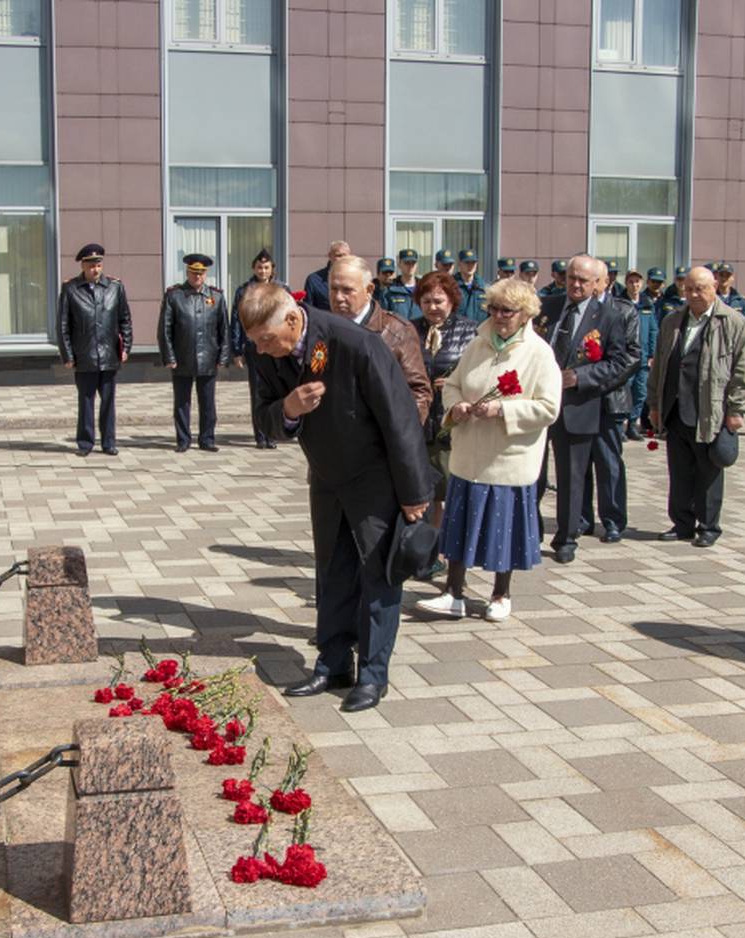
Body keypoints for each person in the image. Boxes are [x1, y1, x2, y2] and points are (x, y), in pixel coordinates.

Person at [240, 283, 433, 712]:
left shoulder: (356, 344)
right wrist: (288, 409)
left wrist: (414, 491)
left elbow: (400, 419)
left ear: (293, 320)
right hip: (326, 474)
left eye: (267, 340)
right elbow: (264, 416)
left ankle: (372, 675)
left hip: (375, 475)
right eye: (255, 342)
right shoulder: (263, 349)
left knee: (379, 575)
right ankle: (332, 663)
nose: (261, 350)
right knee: (332, 571)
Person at [416, 278, 561, 622]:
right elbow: (452, 384)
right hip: (469, 454)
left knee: (503, 529)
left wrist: (504, 410)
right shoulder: (478, 343)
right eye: (493, 309)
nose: (498, 316)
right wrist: (457, 407)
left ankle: (501, 593)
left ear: (525, 314)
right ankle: (453, 591)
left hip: (508, 459)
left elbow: (548, 408)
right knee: (460, 524)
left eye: (506, 311)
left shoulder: (539, 353)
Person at [648, 266, 745, 548]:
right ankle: (682, 523)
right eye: (689, 288)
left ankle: (708, 526)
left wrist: (736, 410)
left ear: (715, 288)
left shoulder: (734, 322)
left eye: (701, 288)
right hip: (675, 409)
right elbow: (659, 366)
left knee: (708, 470)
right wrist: (654, 405)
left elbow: (743, 373)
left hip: (711, 410)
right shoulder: (672, 321)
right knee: (679, 471)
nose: (694, 294)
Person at [535, 254, 632, 564]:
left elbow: (620, 362)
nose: (575, 284)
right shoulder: (545, 307)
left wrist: (580, 376)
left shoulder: (609, 316)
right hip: (536, 404)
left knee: (571, 477)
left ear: (597, 284)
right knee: (531, 473)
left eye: (583, 280)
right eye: (571, 277)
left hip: (578, 405)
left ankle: (566, 537)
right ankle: (529, 530)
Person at [411, 270, 478, 574]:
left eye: (438, 300)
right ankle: (426, 553)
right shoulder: (410, 330)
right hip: (418, 423)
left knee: (450, 492)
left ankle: (452, 554)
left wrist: (456, 383)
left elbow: (480, 375)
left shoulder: (470, 332)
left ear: (451, 300)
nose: (432, 307)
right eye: (426, 301)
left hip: (452, 424)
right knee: (423, 493)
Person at [327, 255, 432, 425]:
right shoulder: (322, 329)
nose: (338, 297)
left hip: (381, 444)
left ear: (369, 290)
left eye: (347, 290)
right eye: (333, 289)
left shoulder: (398, 332)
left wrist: (397, 435)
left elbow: (419, 393)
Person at [581, 260, 641, 542]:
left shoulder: (624, 310)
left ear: (604, 282)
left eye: (594, 279)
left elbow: (630, 358)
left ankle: (614, 519)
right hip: (579, 399)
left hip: (609, 399)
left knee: (608, 462)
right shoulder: (576, 309)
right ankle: (581, 518)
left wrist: (595, 381)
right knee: (579, 463)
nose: (586, 285)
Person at [57, 242, 133, 456]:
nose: (95, 269)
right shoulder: (71, 289)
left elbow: (124, 319)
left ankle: (109, 442)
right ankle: (85, 443)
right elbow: (63, 325)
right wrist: (68, 355)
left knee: (109, 402)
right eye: (90, 265)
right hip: (84, 355)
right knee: (86, 401)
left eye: (98, 264)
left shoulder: (115, 287)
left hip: (109, 355)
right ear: (82, 265)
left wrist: (126, 346)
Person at [159, 253, 229, 452]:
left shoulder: (216, 296)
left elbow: (224, 328)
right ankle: (183, 439)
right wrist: (169, 356)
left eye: (201, 273)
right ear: (187, 272)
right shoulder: (174, 296)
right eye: (193, 273)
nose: (197, 277)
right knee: (182, 403)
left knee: (208, 403)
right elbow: (165, 329)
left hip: (208, 358)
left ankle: (207, 439)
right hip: (182, 358)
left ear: (206, 274)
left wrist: (223, 356)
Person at [231, 248, 285, 449]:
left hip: (277, 347)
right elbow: (236, 321)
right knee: (257, 392)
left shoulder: (281, 289)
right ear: (254, 268)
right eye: (259, 267)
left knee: (276, 390)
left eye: (266, 267)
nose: (263, 271)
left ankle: (273, 433)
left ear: (272, 269)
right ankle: (260, 435)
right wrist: (236, 350)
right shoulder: (245, 290)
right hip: (254, 348)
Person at [625, 269, 659, 441]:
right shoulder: (620, 302)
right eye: (631, 282)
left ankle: (632, 424)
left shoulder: (647, 303)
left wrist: (653, 354)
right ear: (626, 284)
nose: (634, 285)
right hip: (626, 356)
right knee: (625, 390)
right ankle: (619, 425)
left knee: (640, 392)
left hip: (644, 357)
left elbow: (653, 330)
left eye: (637, 282)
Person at [303, 240, 350, 311]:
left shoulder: (356, 279)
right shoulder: (314, 280)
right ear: (330, 256)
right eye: (339, 255)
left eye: (345, 256)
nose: (342, 259)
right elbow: (308, 310)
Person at [455, 248, 487, 323]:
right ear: (459, 264)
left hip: (479, 332)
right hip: (457, 332)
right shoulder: (452, 286)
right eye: (467, 262)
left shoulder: (483, 287)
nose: (470, 266)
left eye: (473, 263)